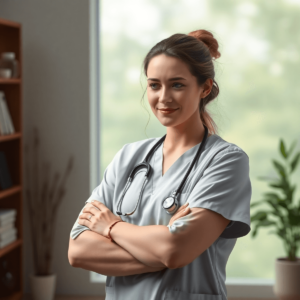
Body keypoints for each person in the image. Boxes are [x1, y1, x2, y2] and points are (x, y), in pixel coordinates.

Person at [68, 29, 252, 300]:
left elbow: (175, 250)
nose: (163, 97)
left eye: (177, 85)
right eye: (154, 85)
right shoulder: (129, 157)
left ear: (205, 87)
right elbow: (79, 251)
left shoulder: (226, 161)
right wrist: (164, 247)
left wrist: (111, 227)